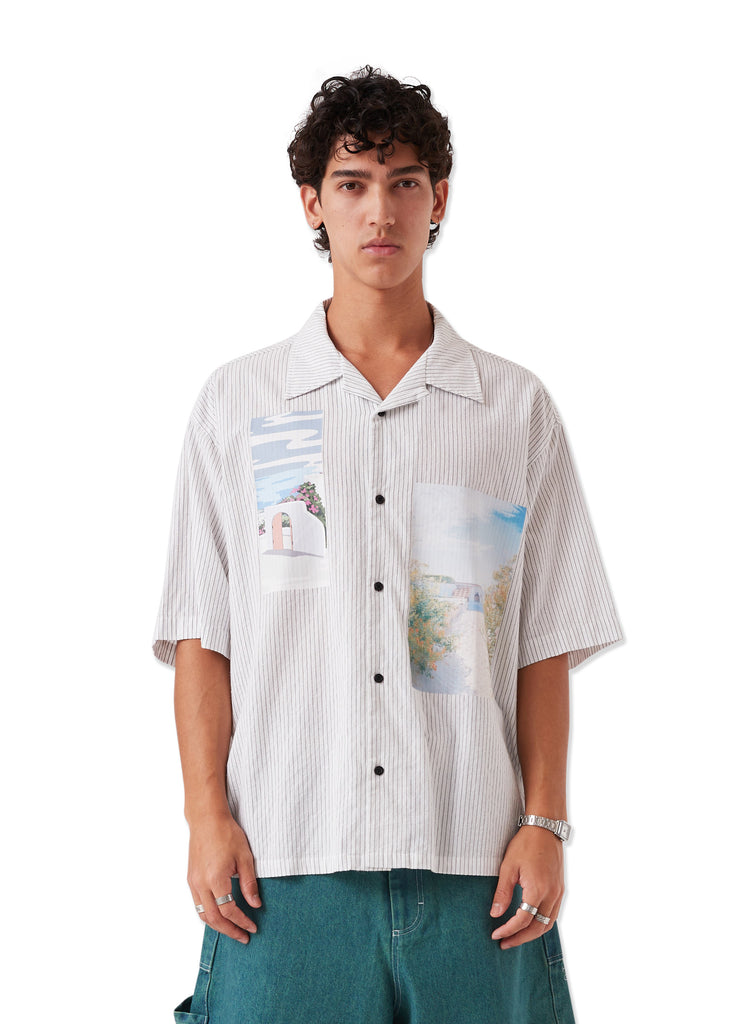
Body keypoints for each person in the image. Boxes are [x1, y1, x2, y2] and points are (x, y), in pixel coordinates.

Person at [152, 65, 623, 1024]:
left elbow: (540, 640)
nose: (380, 211)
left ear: (437, 198)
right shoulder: (242, 404)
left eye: (404, 182)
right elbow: (204, 632)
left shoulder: (509, 409)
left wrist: (545, 822)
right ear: (312, 203)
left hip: (474, 865)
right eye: (353, 182)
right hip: (284, 859)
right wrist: (205, 816)